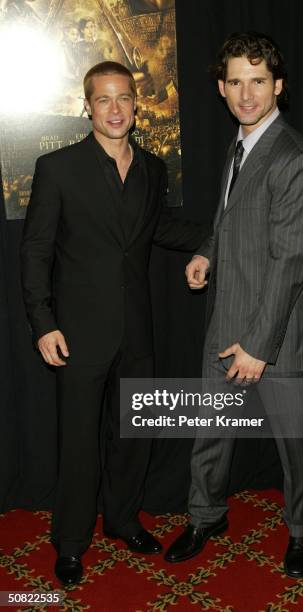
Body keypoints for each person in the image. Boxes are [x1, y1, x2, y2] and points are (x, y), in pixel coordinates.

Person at [20, 61, 206, 586]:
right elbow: (35, 252)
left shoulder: (152, 167)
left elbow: (160, 227)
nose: (115, 108)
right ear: (87, 107)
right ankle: (71, 542)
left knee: (133, 434)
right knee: (80, 442)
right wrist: (42, 321)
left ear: (135, 104)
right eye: (103, 99)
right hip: (76, 333)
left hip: (137, 330)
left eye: (124, 97)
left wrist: (219, 237)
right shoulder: (57, 168)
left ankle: (124, 520)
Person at [164, 31, 303, 579]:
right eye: (235, 81)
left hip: (283, 330)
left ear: (278, 85)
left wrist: (260, 346)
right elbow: (228, 221)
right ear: (220, 87)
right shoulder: (239, 147)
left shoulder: (297, 158)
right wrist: (208, 255)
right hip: (228, 313)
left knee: (297, 444)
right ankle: (205, 515)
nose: (247, 93)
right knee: (209, 429)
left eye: (258, 81)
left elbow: (290, 262)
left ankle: (302, 529)